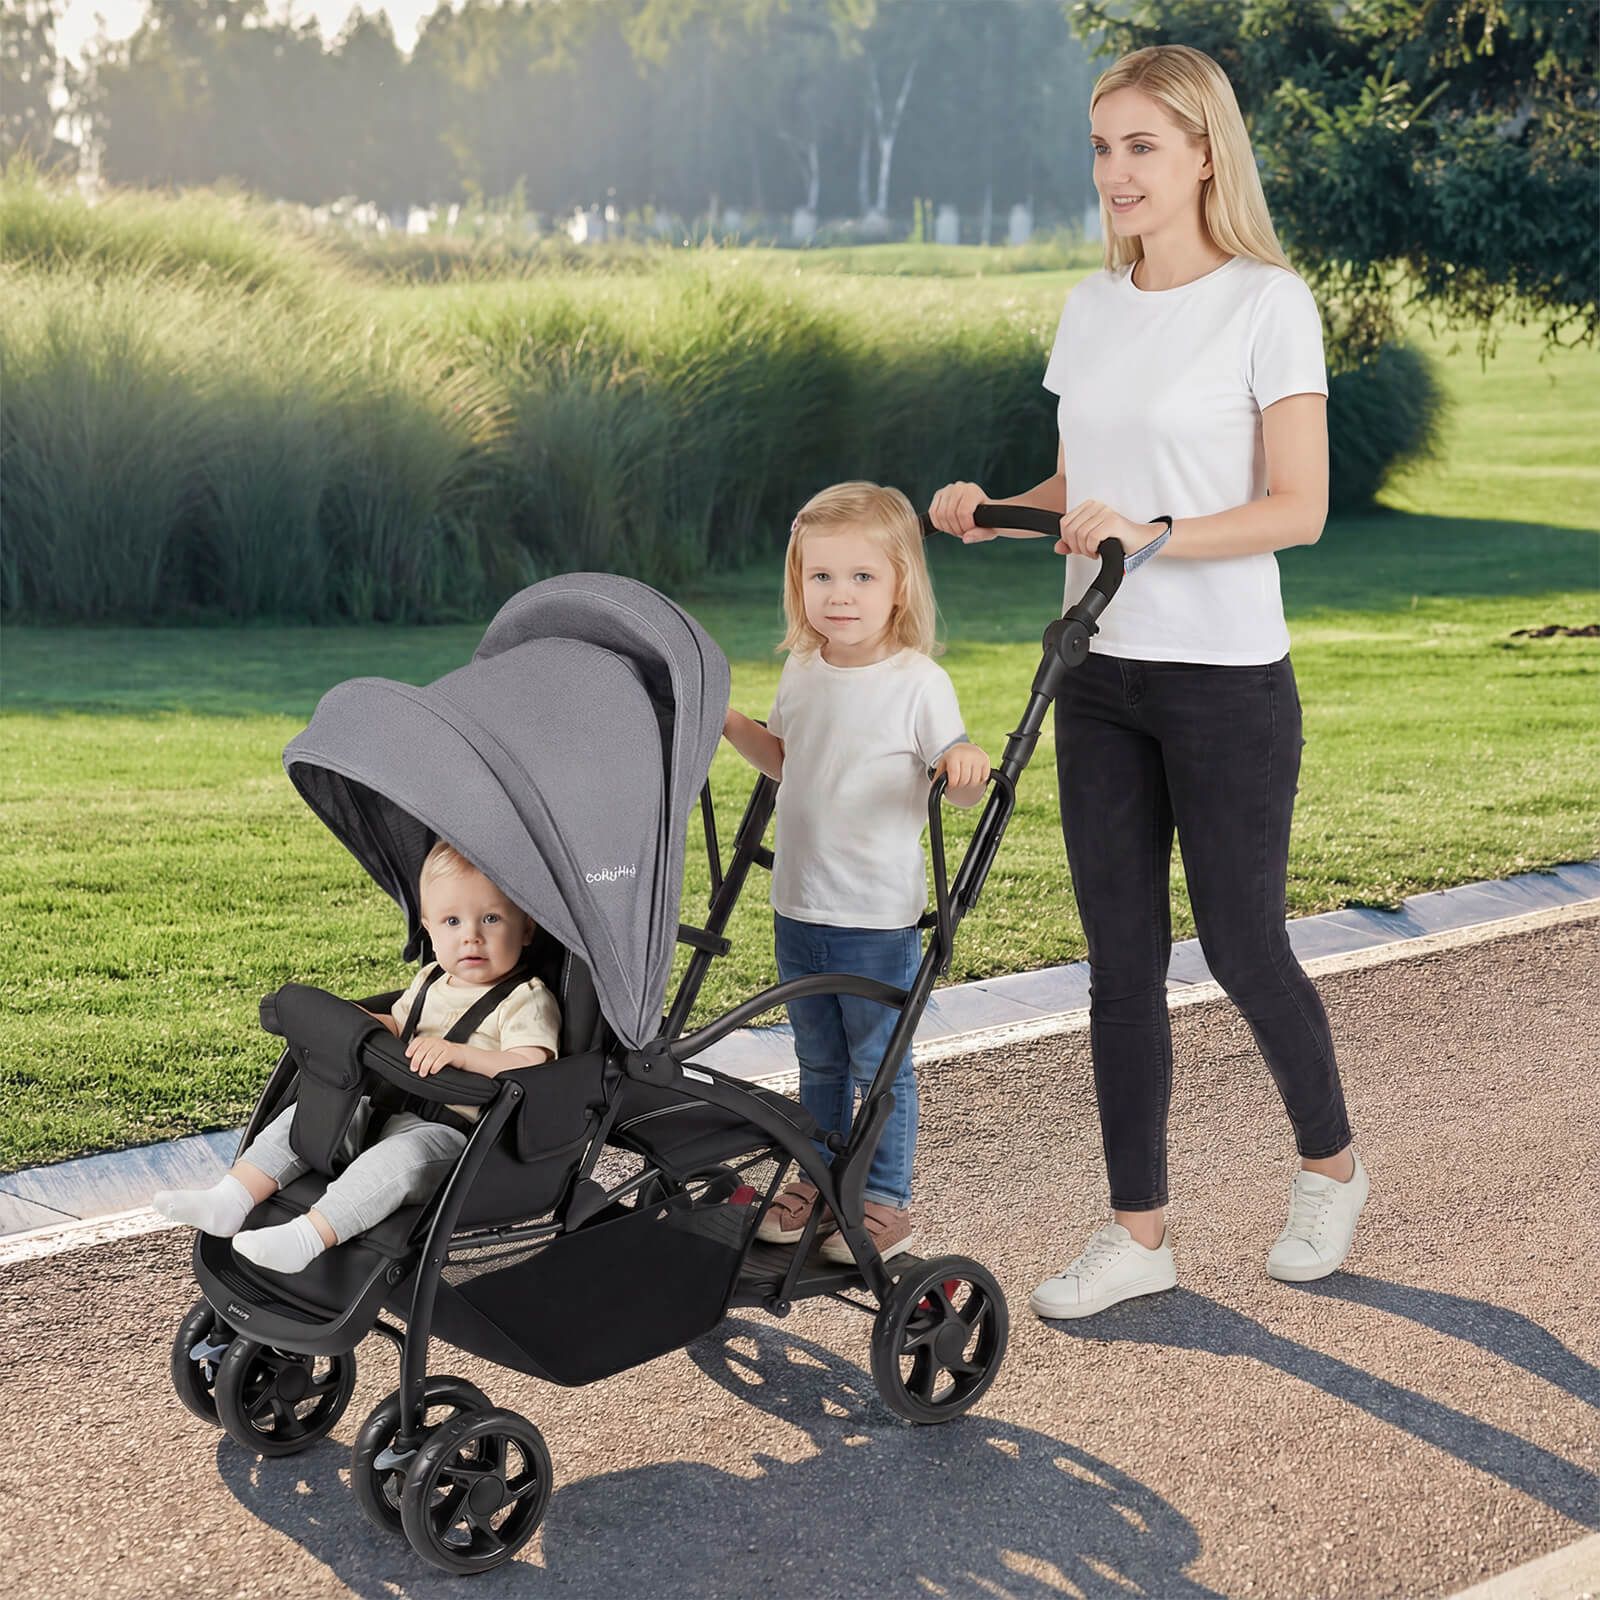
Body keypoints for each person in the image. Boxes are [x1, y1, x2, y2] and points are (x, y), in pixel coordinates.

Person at [929, 44, 1367, 1320]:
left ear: (1201, 155)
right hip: (1100, 672)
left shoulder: (1265, 302)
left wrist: (1158, 533)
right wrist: (994, 508)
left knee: (1241, 944)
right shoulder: (1090, 305)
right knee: (1118, 964)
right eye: (1101, 146)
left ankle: (1329, 1167)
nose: (1116, 172)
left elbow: (1300, 505)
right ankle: (1139, 1232)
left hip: (1225, 678)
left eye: (1141, 147)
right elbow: (1082, 486)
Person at [722, 481, 991, 1263]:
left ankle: (882, 1198)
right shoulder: (804, 670)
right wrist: (733, 724)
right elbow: (783, 760)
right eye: (821, 578)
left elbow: (955, 768)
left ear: (900, 583)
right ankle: (818, 1176)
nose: (840, 596)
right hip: (798, 906)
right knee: (819, 1060)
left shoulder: (917, 683)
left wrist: (964, 763)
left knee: (880, 1064)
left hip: (875, 918)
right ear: (798, 584)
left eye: (862, 578)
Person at [153, 842, 561, 1273]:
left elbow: (532, 1063)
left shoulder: (526, 999)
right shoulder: (431, 980)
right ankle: (230, 1199)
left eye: (492, 919)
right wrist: (359, 1025)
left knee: (393, 1163)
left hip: (454, 1136)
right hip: (386, 1108)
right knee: (308, 1117)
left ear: (527, 929)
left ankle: (308, 1236)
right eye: (452, 921)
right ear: (429, 929)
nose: (471, 935)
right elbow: (402, 1025)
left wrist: (460, 1055)